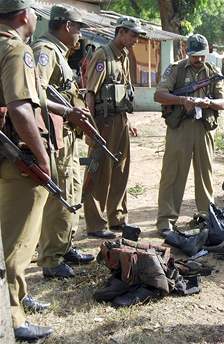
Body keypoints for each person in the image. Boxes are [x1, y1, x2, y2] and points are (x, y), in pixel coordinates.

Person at [0, 1, 53, 340]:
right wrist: (42, 157)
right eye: (35, 11)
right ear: (23, 16)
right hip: (16, 159)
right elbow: (21, 109)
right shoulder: (17, 50)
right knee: (18, 242)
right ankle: (14, 318)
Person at [32, 5, 94, 279]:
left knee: (71, 192)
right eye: (78, 27)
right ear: (67, 26)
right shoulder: (45, 51)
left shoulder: (59, 52)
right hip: (54, 135)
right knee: (59, 195)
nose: (80, 34)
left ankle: (65, 245)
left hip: (67, 135)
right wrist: (68, 111)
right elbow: (34, 96)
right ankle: (50, 258)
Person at [154, 34, 224, 235]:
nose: (199, 60)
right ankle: (166, 219)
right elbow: (159, 95)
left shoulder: (213, 72)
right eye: (195, 56)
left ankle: (205, 216)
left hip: (204, 128)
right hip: (180, 128)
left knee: (205, 175)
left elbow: (223, 102)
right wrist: (182, 100)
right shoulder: (175, 69)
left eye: (202, 55)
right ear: (187, 52)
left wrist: (207, 103)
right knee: (173, 173)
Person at [83, 16, 145, 238]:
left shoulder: (125, 56)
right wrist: (90, 128)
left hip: (120, 120)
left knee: (121, 169)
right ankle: (95, 224)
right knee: (99, 171)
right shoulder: (103, 55)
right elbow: (90, 94)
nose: (136, 39)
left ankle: (116, 217)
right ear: (120, 32)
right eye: (133, 34)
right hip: (103, 122)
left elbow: (123, 92)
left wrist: (129, 122)